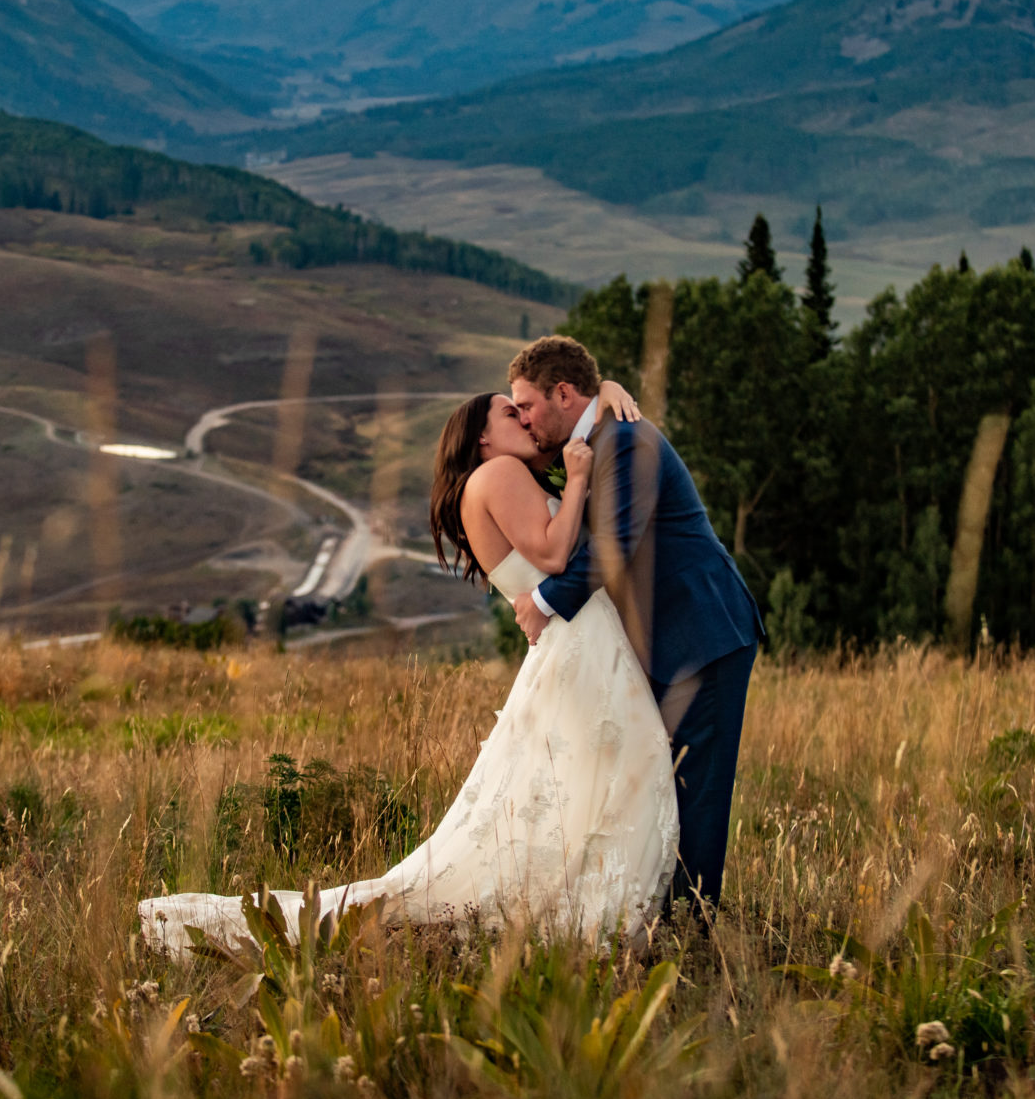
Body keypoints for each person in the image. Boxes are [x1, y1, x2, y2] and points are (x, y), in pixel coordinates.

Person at [137, 377, 674, 955]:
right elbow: (552, 554)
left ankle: (590, 912)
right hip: (580, 645)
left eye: (522, 408)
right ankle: (595, 918)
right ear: (482, 440)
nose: (522, 417)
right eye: (507, 412)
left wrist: (607, 388)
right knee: (624, 766)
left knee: (587, 785)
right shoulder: (497, 476)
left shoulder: (487, 480)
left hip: (578, 645)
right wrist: (573, 481)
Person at [507, 335, 763, 915]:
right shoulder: (593, 438)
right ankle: (653, 909)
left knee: (697, 791)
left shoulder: (621, 440)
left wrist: (542, 601)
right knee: (657, 781)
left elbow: (614, 545)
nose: (521, 418)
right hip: (666, 641)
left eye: (525, 405)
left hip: (704, 634)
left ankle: (692, 928)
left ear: (564, 394)